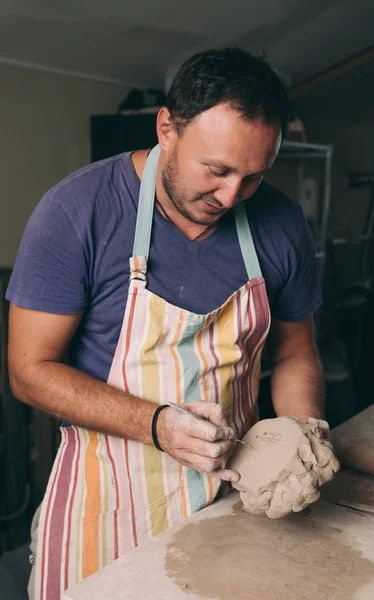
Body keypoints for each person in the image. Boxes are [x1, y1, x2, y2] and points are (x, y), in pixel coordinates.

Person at [7, 47, 325, 600]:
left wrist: (304, 435)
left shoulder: (280, 224)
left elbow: (295, 353)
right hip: (103, 500)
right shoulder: (77, 212)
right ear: (167, 129)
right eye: (217, 170)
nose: (231, 196)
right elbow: (29, 371)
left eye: (252, 177)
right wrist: (159, 425)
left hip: (233, 495)